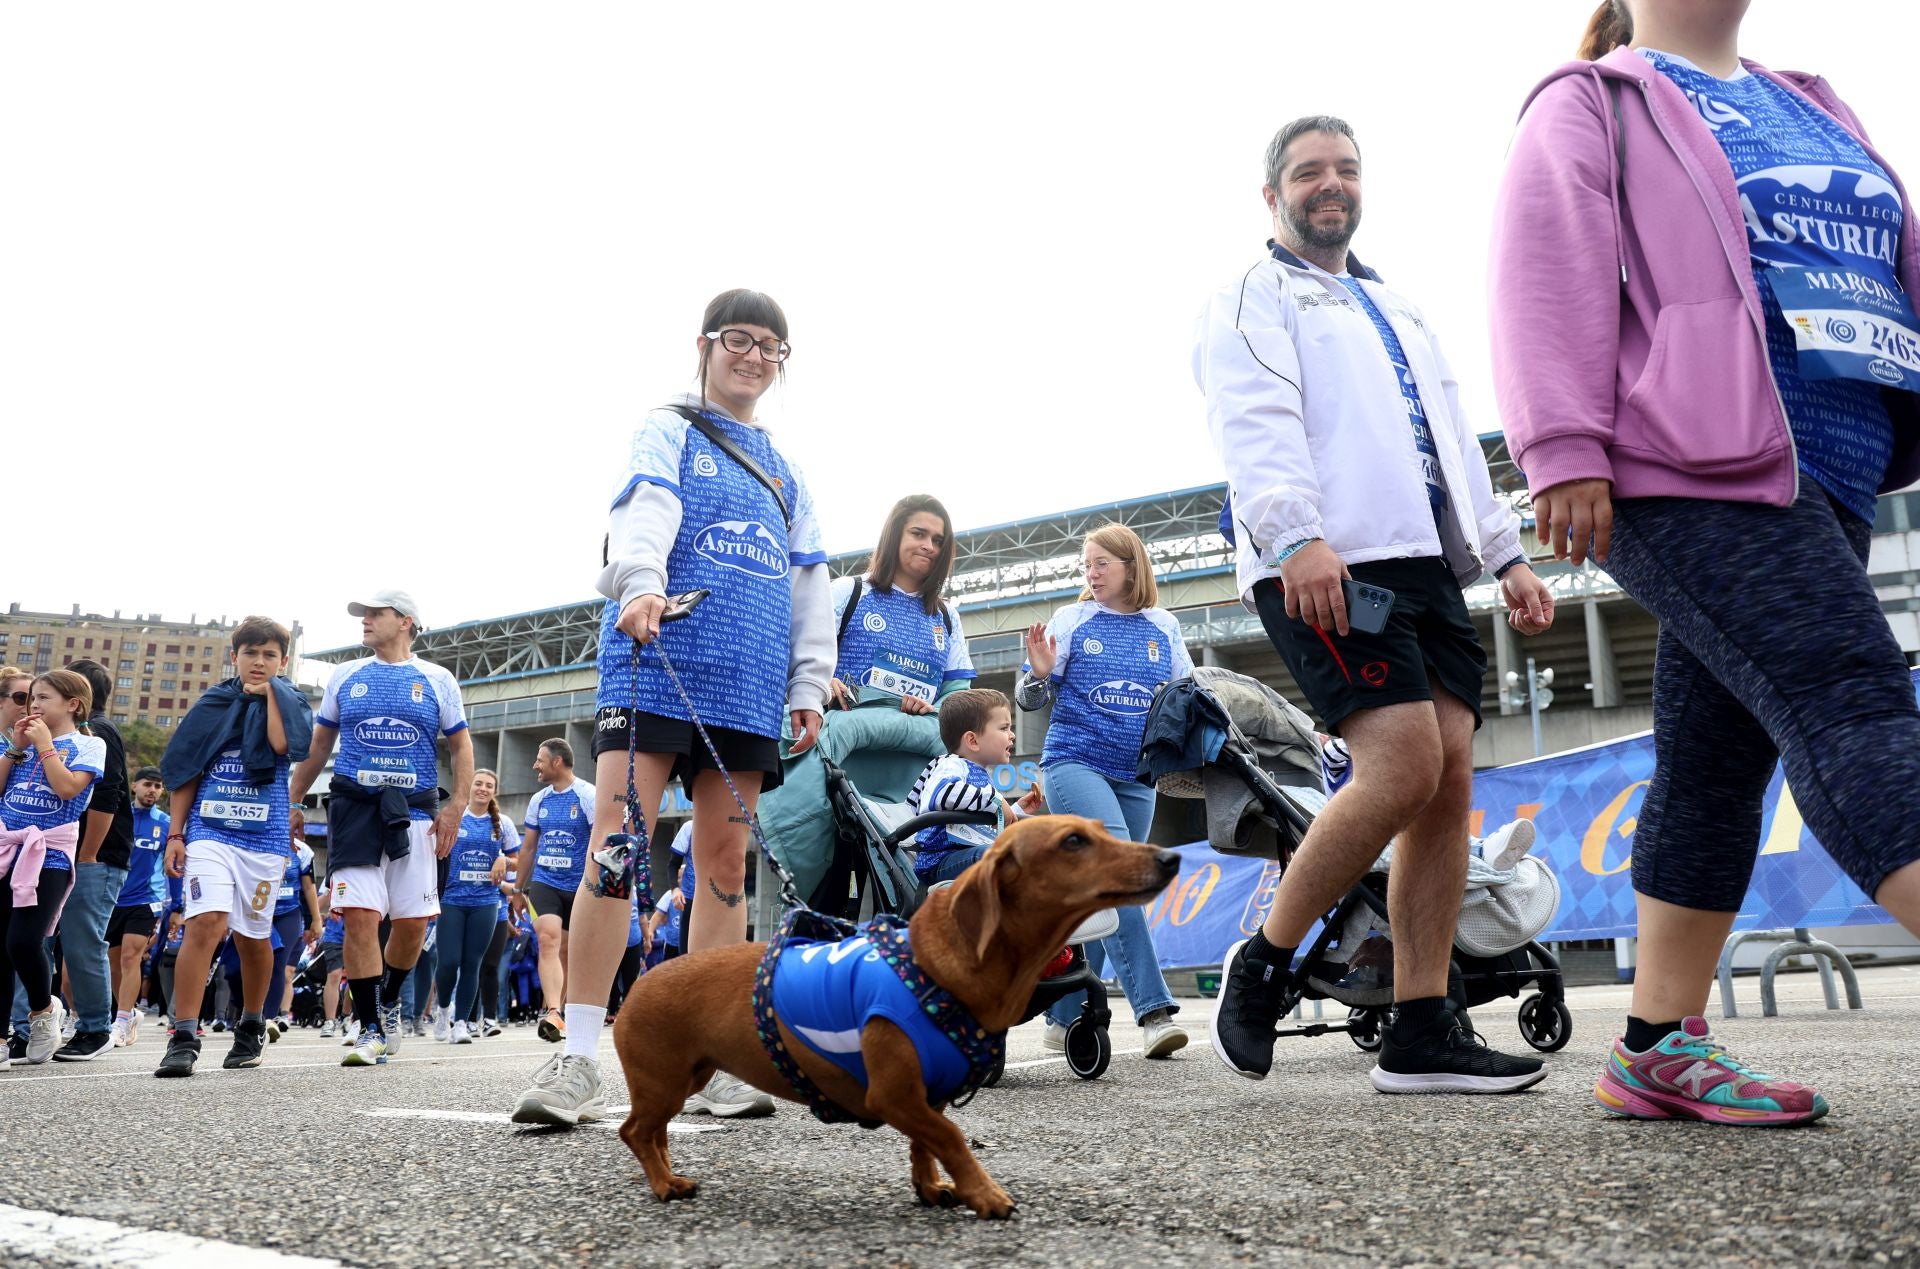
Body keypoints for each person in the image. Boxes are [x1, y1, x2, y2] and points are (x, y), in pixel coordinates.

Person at [1488, 0, 1920, 1125]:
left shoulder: (1811, 102)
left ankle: (1654, 1046)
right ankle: (1658, 1045)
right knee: (1853, 703)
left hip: (1827, 469)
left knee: (1713, 761)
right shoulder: (1592, 100)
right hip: (1681, 461)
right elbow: (1545, 273)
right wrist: (1563, 445)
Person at [1194, 114, 1558, 1095]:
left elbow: (1449, 437)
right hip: (1326, 564)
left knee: (1446, 784)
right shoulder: (1251, 298)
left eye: (1345, 170)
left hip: (1428, 569)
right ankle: (1266, 960)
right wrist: (1292, 535)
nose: (1331, 184)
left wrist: (1507, 554)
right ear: (1273, 195)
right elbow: (1255, 425)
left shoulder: (1398, 308)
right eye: (1309, 171)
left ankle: (1420, 1026)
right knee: (1400, 764)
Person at [510, 287, 830, 1126]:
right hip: (659, 659)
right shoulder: (670, 429)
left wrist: (807, 681)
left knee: (724, 866)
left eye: (771, 346)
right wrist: (643, 583)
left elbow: (809, 584)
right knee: (617, 851)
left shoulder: (789, 471)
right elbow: (644, 510)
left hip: (748, 683)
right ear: (705, 344)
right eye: (739, 339)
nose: (754, 355)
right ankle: (579, 1051)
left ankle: (715, 1054)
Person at [1016, 524, 1191, 1060]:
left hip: (1139, 778)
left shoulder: (1164, 626)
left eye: (1101, 564)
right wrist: (1039, 675)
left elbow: (1189, 696)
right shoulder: (1072, 620)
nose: (1090, 574)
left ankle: (1066, 1012)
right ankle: (1154, 1012)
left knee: (1094, 895)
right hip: (1075, 765)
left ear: (1131, 567)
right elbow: (1027, 697)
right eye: (1086, 565)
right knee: (1119, 880)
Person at [289, 591, 473, 1069]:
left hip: (414, 811)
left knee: (411, 924)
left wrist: (455, 808)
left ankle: (389, 999)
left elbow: (460, 748)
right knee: (359, 915)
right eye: (362, 615)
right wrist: (290, 799)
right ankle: (370, 1025)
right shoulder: (346, 675)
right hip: (353, 808)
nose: (365, 622)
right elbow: (318, 745)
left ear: (406, 621)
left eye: (375, 614)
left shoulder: (437, 679)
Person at [154, 616, 312, 1077]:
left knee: (253, 937)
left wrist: (272, 696)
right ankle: (183, 1035)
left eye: (269, 655)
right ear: (234, 656)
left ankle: (251, 1024)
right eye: (250, 653)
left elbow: (285, 744)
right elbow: (186, 770)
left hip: (263, 840)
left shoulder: (290, 699)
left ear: (283, 662)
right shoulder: (214, 702)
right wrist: (176, 834)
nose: (258, 662)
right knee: (206, 922)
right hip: (209, 832)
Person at [0, 671, 105, 1065]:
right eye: (31, 699)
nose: (34, 706)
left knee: (23, 941)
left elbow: (67, 789)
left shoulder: (89, 745)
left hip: (50, 855)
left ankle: (44, 1010)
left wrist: (44, 746)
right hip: (6, 847)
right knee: (0, 946)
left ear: (73, 704)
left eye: (43, 698)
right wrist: (15, 748)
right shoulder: (21, 741)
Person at [52, 659, 133, 1061]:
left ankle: (95, 1028)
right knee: (40, 941)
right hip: (60, 851)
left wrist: (88, 853)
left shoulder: (96, 732)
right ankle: (27, 1024)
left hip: (95, 856)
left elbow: (108, 794)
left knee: (83, 943)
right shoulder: (64, 735)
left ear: (76, 696)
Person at [828, 495, 974, 714]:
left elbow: (957, 693)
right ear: (895, 535)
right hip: (844, 743)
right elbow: (803, 654)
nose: (929, 546)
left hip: (919, 746)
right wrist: (821, 684)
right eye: (918, 534)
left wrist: (933, 709)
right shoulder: (848, 592)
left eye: (938, 541)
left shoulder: (947, 616)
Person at [907, 689, 1045, 886]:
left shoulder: (982, 777)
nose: (1012, 735)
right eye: (1004, 728)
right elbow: (943, 794)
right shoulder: (951, 764)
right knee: (1006, 853)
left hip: (969, 855)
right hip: (942, 862)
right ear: (972, 741)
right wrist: (996, 801)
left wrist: (1015, 811)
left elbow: (983, 827)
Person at [515, 739, 594, 1042]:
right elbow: (529, 847)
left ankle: (563, 1013)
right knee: (547, 940)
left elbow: (601, 842)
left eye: (539, 760)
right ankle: (551, 1011)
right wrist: (519, 889)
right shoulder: (538, 800)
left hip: (580, 887)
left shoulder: (588, 795)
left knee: (567, 950)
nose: (535, 765)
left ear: (557, 762)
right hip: (545, 882)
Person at [438, 768, 515, 1045]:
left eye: (489, 785)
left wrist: (504, 861)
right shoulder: (454, 816)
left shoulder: (503, 823)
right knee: (448, 963)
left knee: (473, 964)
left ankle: (461, 1023)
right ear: (469, 786)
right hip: (451, 900)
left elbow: (519, 860)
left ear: (495, 791)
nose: (483, 788)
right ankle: (442, 1010)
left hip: (485, 902)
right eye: (478, 783)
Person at [106, 767, 170, 1048]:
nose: (152, 790)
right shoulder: (119, 818)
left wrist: (176, 906)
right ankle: (128, 1011)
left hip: (146, 900)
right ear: (134, 786)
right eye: (147, 784)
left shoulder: (166, 823)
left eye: (158, 786)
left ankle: (120, 1020)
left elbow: (174, 865)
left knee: (131, 958)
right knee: (112, 962)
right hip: (112, 898)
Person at [261, 820, 321, 1038]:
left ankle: (268, 1019)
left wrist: (315, 919)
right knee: (253, 964)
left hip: (289, 912)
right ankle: (249, 1012)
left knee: (279, 964)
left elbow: (308, 886)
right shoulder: (258, 839)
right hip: (260, 911)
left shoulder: (303, 851)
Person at [317, 902, 346, 1037]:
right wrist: (315, 917)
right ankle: (329, 1021)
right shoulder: (331, 881)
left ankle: (347, 1016)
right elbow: (319, 901)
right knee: (334, 974)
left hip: (358, 930)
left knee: (356, 977)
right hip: (334, 935)